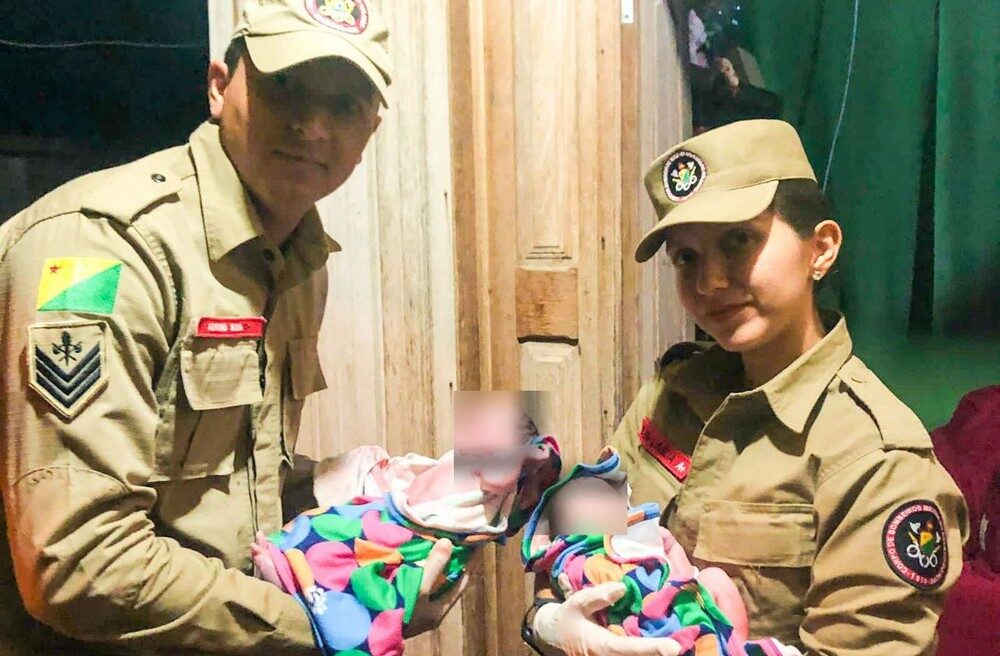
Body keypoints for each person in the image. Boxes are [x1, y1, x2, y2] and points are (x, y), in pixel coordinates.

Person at [0, 1, 459, 654]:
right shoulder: (103, 251)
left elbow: (212, 480)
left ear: (371, 129)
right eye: (285, 86)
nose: (313, 126)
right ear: (219, 87)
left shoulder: (298, 258)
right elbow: (79, 565)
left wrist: (344, 488)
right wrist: (326, 627)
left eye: (345, 104)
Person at [523, 119, 968, 655]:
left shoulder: (877, 461)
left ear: (821, 249)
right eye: (686, 257)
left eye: (739, 240)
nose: (709, 282)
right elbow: (577, 549)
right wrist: (547, 623)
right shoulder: (670, 395)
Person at [521, 447, 798, 656]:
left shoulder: (642, 529)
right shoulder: (575, 549)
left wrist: (678, 573)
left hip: (682, 603)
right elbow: (552, 582)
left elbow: (683, 572)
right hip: (629, 616)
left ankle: (731, 646)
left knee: (716, 581)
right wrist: (546, 622)